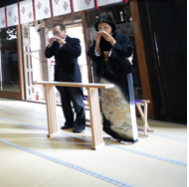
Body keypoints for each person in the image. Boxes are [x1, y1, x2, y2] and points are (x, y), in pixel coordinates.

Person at [87, 14, 138, 143]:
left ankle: (128, 135)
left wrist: (112, 41)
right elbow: (94, 55)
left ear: (112, 28)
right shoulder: (99, 39)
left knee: (123, 104)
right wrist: (97, 43)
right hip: (106, 74)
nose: (102, 30)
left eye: (105, 27)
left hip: (121, 74)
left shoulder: (122, 37)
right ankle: (113, 132)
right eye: (99, 28)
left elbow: (127, 52)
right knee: (108, 104)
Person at [44, 23, 86, 133]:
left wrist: (64, 44)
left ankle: (80, 125)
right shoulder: (54, 44)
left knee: (77, 101)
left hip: (72, 75)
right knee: (65, 101)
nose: (55, 35)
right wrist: (49, 44)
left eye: (57, 32)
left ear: (64, 31)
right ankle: (69, 122)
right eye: (53, 33)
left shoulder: (74, 41)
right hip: (59, 74)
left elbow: (76, 53)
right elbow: (47, 55)